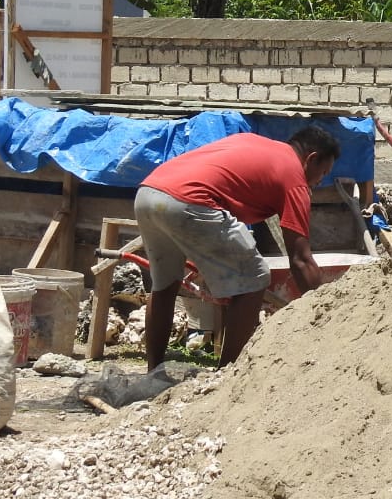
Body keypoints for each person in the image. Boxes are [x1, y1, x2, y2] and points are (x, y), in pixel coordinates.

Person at [134, 125, 340, 369]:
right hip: (190, 201)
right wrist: (327, 310)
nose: (319, 181)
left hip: (149, 193)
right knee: (255, 277)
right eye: (323, 173)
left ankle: (154, 370)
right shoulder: (294, 177)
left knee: (165, 285)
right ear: (311, 159)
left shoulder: (252, 141)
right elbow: (301, 260)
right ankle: (227, 374)